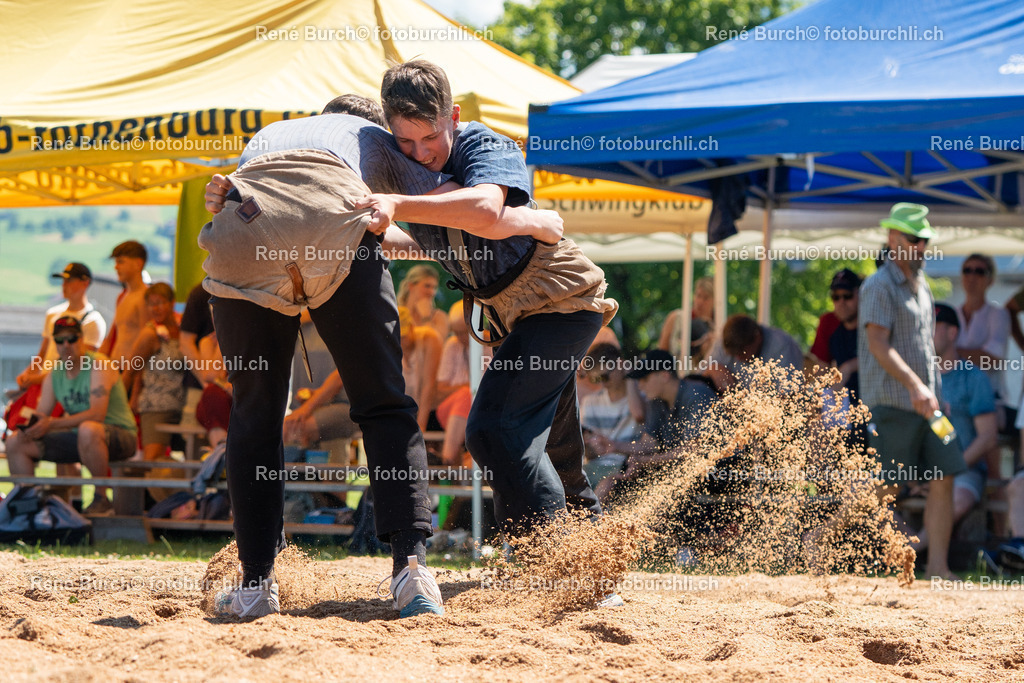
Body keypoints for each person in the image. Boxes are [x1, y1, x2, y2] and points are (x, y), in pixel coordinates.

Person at [199, 104, 564, 618]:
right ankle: (411, 574)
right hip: (337, 225)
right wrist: (532, 221)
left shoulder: (273, 130)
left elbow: (249, 201)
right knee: (384, 404)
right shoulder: (374, 137)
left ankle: (257, 583)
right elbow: (455, 207)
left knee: (253, 412)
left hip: (243, 230)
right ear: (379, 125)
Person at [355, 60, 619, 545]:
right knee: (555, 451)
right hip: (514, 315)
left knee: (494, 430)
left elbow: (482, 210)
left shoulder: (485, 143)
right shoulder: (409, 171)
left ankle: (550, 564)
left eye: (430, 137)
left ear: (452, 115)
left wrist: (398, 203)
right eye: (405, 142)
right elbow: (437, 238)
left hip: (557, 301)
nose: (419, 152)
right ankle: (594, 565)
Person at [858, 202, 966, 579]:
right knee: (887, 487)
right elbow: (878, 345)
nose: (921, 247)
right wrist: (917, 385)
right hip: (892, 404)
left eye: (924, 241)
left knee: (946, 471)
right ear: (893, 239)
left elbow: (925, 347)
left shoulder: (922, 289)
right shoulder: (877, 286)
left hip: (929, 405)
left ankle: (937, 567)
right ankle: (821, 536)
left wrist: (933, 389)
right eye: (915, 240)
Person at [4, 316, 137, 516]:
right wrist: (30, 428)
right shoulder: (55, 373)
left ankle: (102, 499)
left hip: (121, 435)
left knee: (88, 428)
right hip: (81, 436)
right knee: (15, 442)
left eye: (72, 339)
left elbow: (97, 414)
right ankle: (28, 506)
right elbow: (42, 415)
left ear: (82, 339)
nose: (66, 345)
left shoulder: (99, 364)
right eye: (60, 340)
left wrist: (51, 424)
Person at [913, 304, 998, 551]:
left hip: (963, 472)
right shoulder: (917, 379)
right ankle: (908, 549)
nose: (926, 333)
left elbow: (988, 437)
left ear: (952, 333)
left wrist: (950, 468)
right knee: (869, 492)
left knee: (957, 499)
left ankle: (909, 554)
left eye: (933, 326)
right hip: (919, 471)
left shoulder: (973, 378)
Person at [16, 262, 107, 389]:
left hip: (69, 388)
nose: (64, 285)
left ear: (85, 283)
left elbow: (80, 365)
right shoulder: (52, 314)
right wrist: (27, 375)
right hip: (45, 385)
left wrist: (37, 379)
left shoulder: (93, 321)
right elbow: (42, 354)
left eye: (69, 280)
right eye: (63, 280)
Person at [122, 283, 186, 463]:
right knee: (152, 461)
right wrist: (125, 403)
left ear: (172, 303)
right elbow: (132, 369)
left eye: (160, 302)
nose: (155, 308)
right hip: (156, 405)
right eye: (151, 304)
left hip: (183, 404)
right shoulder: (149, 334)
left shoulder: (183, 329)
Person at [578, 344, 643, 498]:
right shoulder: (591, 402)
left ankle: (590, 522)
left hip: (623, 466)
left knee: (607, 484)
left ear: (621, 364)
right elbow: (590, 454)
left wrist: (630, 377)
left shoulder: (639, 399)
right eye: (597, 379)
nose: (603, 382)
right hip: (594, 467)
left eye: (605, 376)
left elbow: (639, 415)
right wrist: (592, 447)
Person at [955, 254, 1009, 427]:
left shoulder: (998, 315)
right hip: (955, 399)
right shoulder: (952, 314)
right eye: (967, 270)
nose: (972, 277)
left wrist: (953, 353)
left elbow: (992, 359)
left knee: (987, 441)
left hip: (989, 399)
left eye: (979, 271)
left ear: (990, 280)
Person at [705, 314, 804, 392]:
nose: (738, 358)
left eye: (742, 352)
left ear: (757, 338)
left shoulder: (782, 346)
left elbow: (789, 396)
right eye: (733, 354)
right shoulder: (723, 341)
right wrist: (711, 370)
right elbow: (698, 379)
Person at [100, 240, 150, 373]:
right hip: (115, 368)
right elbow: (111, 338)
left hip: (131, 371)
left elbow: (144, 343)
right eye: (116, 262)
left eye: (120, 262)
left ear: (138, 263)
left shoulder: (145, 297)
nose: (116, 267)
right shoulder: (122, 296)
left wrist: (129, 376)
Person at [435, 300, 473, 466]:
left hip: (477, 411)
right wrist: (467, 388)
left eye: (463, 332)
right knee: (466, 396)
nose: (460, 337)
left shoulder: (489, 346)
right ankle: (448, 459)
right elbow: (440, 389)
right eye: (456, 332)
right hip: (451, 411)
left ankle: (449, 463)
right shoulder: (451, 346)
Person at [399, 306, 443, 433]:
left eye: (404, 336)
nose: (402, 341)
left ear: (412, 327)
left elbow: (428, 385)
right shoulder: (390, 344)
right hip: (408, 410)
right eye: (398, 337)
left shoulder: (429, 339)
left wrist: (420, 427)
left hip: (432, 409)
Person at [658, 276, 715, 365]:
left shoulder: (718, 328)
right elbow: (661, 353)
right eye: (698, 295)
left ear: (715, 301)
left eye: (706, 298)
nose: (700, 301)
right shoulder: (676, 318)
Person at [398, 265, 450, 341]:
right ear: (411, 286)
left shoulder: (439, 317)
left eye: (434, 288)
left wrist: (426, 318)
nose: (432, 292)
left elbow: (436, 346)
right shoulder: (397, 314)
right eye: (427, 286)